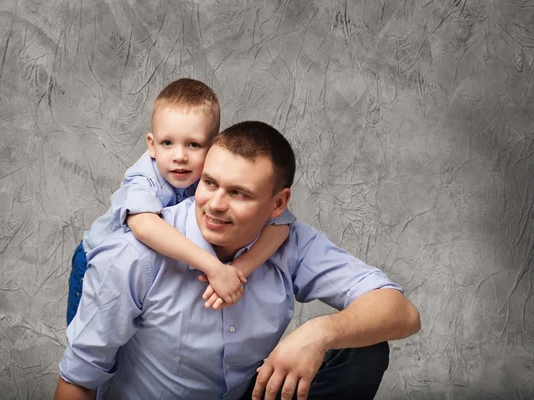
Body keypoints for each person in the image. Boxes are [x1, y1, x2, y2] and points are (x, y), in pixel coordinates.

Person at [55, 121, 421, 400]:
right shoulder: (136, 254)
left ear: (278, 204)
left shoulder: (290, 241)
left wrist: (318, 333)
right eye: (210, 183)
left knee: (363, 350)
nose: (215, 204)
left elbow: (402, 312)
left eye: (238, 193)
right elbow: (79, 377)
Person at [66, 79, 294, 325]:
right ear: (152, 146)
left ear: (215, 146)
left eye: (193, 144)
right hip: (96, 263)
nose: (180, 157)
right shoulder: (143, 177)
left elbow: (280, 224)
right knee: (95, 332)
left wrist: (238, 271)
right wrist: (215, 269)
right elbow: (144, 227)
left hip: (149, 270)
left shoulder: (214, 173)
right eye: (167, 143)